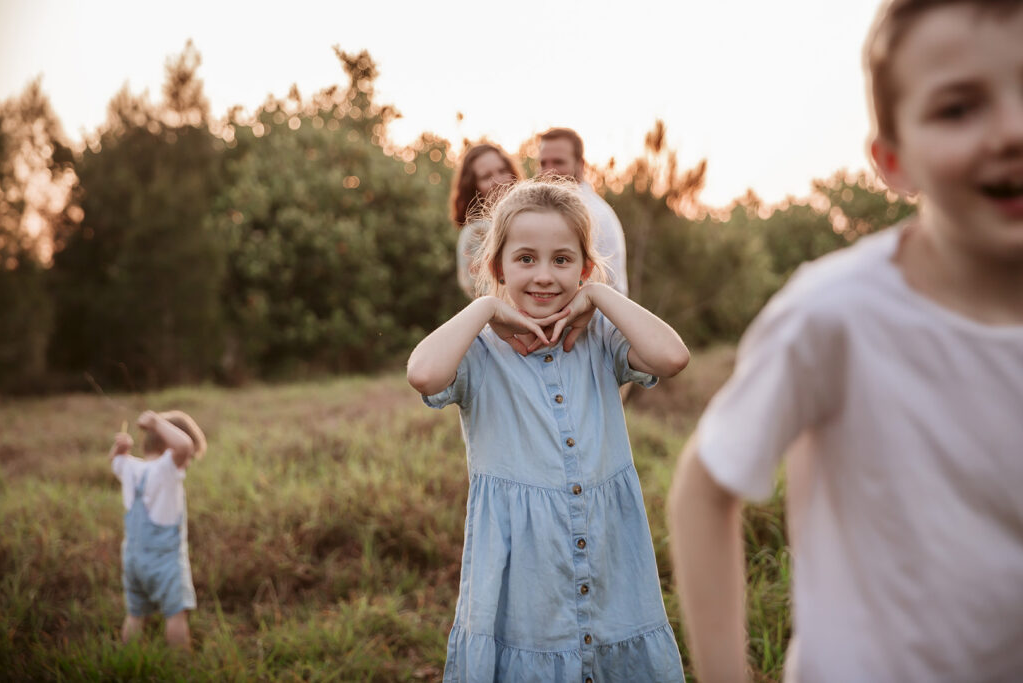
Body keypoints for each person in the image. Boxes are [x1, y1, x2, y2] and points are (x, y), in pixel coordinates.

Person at [667, 1, 1023, 681]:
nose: (1012, 131)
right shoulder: (835, 314)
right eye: (957, 109)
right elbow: (703, 489)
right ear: (894, 162)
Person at [408, 178, 689, 681]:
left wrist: (599, 295)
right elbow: (423, 373)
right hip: (525, 576)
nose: (543, 276)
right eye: (525, 259)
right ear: (497, 266)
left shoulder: (602, 338)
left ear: (583, 265)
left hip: (607, 560)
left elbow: (673, 357)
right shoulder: (479, 351)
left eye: (562, 260)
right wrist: (486, 307)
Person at [109, 409, 207, 651]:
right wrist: (156, 421)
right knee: (176, 614)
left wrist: (120, 448)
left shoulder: (131, 468)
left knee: (134, 615)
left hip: (132, 560)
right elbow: (183, 446)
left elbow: (115, 461)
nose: (187, 462)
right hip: (165, 562)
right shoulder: (166, 468)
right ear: (170, 447)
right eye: (189, 458)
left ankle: (128, 657)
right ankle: (180, 664)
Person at [538, 127, 629, 295]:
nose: (549, 171)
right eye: (543, 163)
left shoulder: (590, 213)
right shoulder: (553, 208)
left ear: (580, 165)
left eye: (558, 162)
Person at [450, 142, 524, 298]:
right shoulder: (476, 232)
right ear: (473, 187)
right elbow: (484, 290)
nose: (499, 181)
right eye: (486, 176)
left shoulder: (532, 217)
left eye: (503, 170)